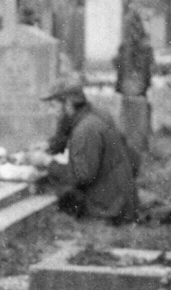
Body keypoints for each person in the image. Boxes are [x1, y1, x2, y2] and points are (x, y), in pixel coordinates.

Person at [42, 77, 140, 224]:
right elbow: (66, 134)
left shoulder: (85, 130)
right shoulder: (92, 116)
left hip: (107, 210)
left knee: (55, 192)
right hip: (118, 202)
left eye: (53, 105)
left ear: (68, 104)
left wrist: (47, 162)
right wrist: (50, 146)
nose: (50, 112)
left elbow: (81, 176)